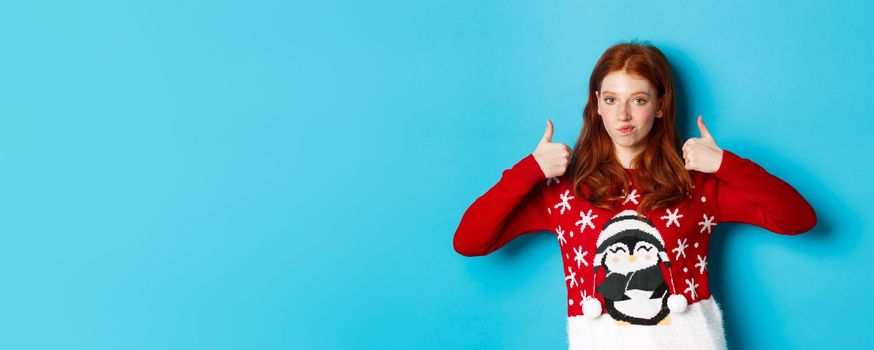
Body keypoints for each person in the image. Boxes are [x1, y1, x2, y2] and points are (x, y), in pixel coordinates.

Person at [452, 40, 817, 350]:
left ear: (661, 105)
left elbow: (798, 219)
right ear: (596, 104)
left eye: (638, 100)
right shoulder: (565, 190)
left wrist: (724, 163)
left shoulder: (697, 185)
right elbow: (470, 241)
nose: (622, 114)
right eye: (611, 99)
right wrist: (530, 169)